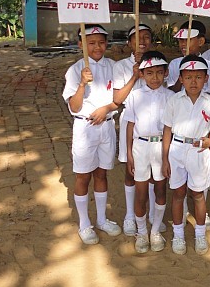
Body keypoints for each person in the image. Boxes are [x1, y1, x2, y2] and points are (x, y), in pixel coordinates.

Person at [62, 24, 121, 244]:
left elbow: (118, 98)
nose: (97, 47)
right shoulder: (75, 69)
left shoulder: (113, 67)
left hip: (106, 126)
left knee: (102, 173)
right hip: (85, 128)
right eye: (91, 43)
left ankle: (102, 219)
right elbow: (75, 107)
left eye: (101, 42)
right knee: (83, 175)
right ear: (81, 45)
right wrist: (81, 84)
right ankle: (85, 223)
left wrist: (106, 109)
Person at [162, 55, 210, 255]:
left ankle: (199, 234)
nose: (193, 81)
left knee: (198, 195)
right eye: (188, 77)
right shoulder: (174, 100)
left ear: (206, 78)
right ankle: (178, 234)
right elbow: (167, 130)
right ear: (180, 78)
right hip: (178, 148)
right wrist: (165, 158)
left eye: (198, 77)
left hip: (199, 149)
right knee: (178, 194)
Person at [112, 24, 163, 237]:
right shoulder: (121, 66)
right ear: (129, 43)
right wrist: (134, 76)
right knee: (131, 171)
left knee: (154, 173)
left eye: (147, 37)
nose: (142, 41)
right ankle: (130, 215)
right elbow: (117, 99)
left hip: (155, 127)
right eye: (137, 38)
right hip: (132, 124)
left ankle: (151, 213)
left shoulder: (158, 64)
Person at [125, 51, 174, 253]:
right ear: (142, 74)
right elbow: (130, 125)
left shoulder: (171, 97)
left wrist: (166, 157)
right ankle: (142, 231)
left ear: (166, 74)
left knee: (161, 189)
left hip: (162, 146)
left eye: (159, 73)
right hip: (141, 146)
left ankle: (155, 230)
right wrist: (128, 153)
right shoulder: (135, 96)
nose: (155, 78)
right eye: (150, 73)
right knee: (141, 192)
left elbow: (170, 128)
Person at [166, 20, 210, 96]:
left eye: (188, 40)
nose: (183, 44)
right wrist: (182, 74)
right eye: (181, 40)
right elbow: (171, 93)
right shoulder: (174, 64)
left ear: (201, 41)